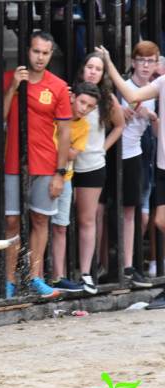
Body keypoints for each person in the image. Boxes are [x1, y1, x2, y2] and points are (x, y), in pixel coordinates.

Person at [2, 31, 71, 299]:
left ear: (51, 55)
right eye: (36, 51)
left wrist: (60, 172)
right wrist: (12, 89)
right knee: (11, 220)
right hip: (13, 161)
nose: (40, 57)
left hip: (45, 162)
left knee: (40, 219)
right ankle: (8, 280)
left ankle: (35, 278)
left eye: (45, 53)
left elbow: (65, 133)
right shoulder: (12, 79)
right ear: (27, 51)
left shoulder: (58, 86)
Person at [97, 45, 165, 309]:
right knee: (155, 218)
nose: (146, 65)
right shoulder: (159, 83)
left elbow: (156, 130)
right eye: (142, 60)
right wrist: (109, 63)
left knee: (141, 214)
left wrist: (154, 119)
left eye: (152, 60)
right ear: (134, 62)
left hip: (139, 154)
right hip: (122, 155)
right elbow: (128, 95)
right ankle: (101, 267)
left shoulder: (157, 85)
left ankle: (126, 265)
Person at [72, 52, 125, 294]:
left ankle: (86, 272)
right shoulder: (72, 94)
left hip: (92, 165)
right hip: (66, 163)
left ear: (104, 74)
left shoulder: (107, 99)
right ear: (83, 69)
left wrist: (102, 148)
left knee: (87, 219)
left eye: (98, 69)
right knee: (60, 222)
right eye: (89, 66)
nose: (93, 71)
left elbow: (120, 125)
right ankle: (59, 272)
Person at [50, 82, 100, 292]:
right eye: (81, 102)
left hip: (66, 176)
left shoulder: (84, 126)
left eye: (89, 106)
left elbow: (71, 154)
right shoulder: (55, 113)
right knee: (38, 224)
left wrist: (57, 145)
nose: (83, 108)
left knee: (61, 226)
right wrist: (62, 147)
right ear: (72, 97)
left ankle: (57, 276)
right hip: (43, 172)